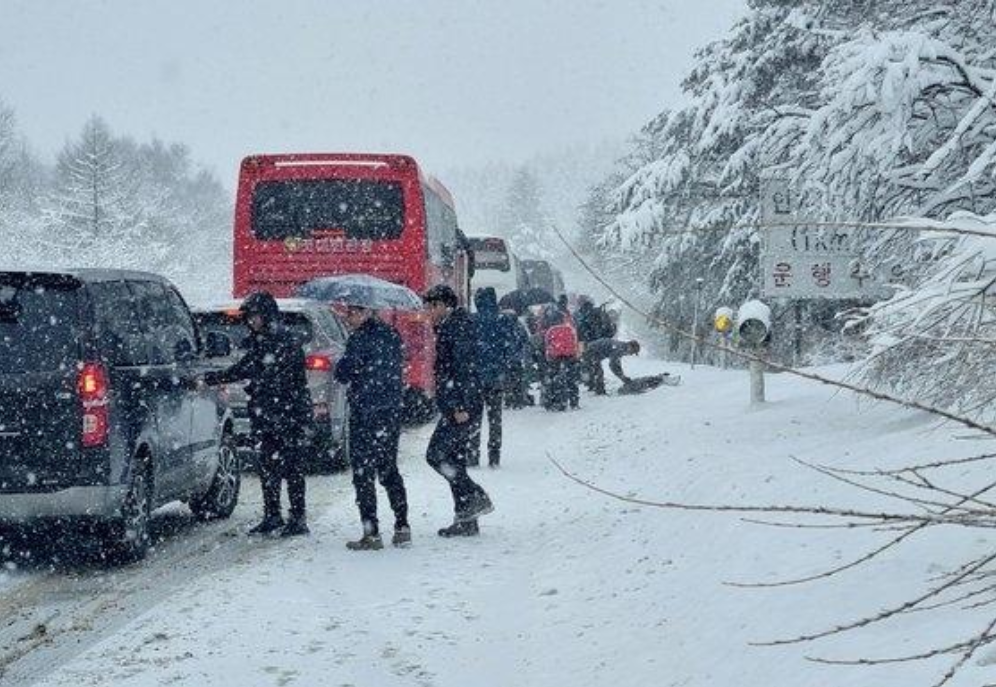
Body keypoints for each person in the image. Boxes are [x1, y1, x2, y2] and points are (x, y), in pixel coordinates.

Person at [200, 292, 312, 537]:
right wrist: (212, 378)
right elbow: (244, 368)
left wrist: (255, 385)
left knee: (292, 468)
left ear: (267, 316)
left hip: (288, 414)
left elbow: (271, 376)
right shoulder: (263, 341)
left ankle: (297, 518)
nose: (251, 321)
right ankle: (272, 515)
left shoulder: (282, 341)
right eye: (249, 317)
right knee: (269, 466)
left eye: (255, 316)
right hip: (269, 414)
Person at [333, 303, 410, 551]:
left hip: (365, 412)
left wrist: (343, 363)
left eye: (353, 313)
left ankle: (371, 532)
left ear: (366, 312)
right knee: (388, 469)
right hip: (390, 411)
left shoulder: (359, 339)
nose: (348, 317)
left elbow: (344, 373)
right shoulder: (391, 335)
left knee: (363, 473)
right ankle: (402, 526)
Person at [423, 284, 494, 537]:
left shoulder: (456, 328)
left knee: (436, 455)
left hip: (462, 405)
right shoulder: (452, 326)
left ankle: (475, 496)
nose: (429, 312)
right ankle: (466, 519)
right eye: (428, 307)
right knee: (455, 458)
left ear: (445, 305)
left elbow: (463, 369)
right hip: (459, 403)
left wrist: (458, 405)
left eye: (433, 306)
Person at [469, 287, 516, 468]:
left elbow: (465, 349)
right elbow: (510, 347)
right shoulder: (503, 320)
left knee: (474, 418)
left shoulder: (471, 321)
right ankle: (494, 456)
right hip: (496, 377)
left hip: (475, 378)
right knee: (495, 418)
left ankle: (472, 454)